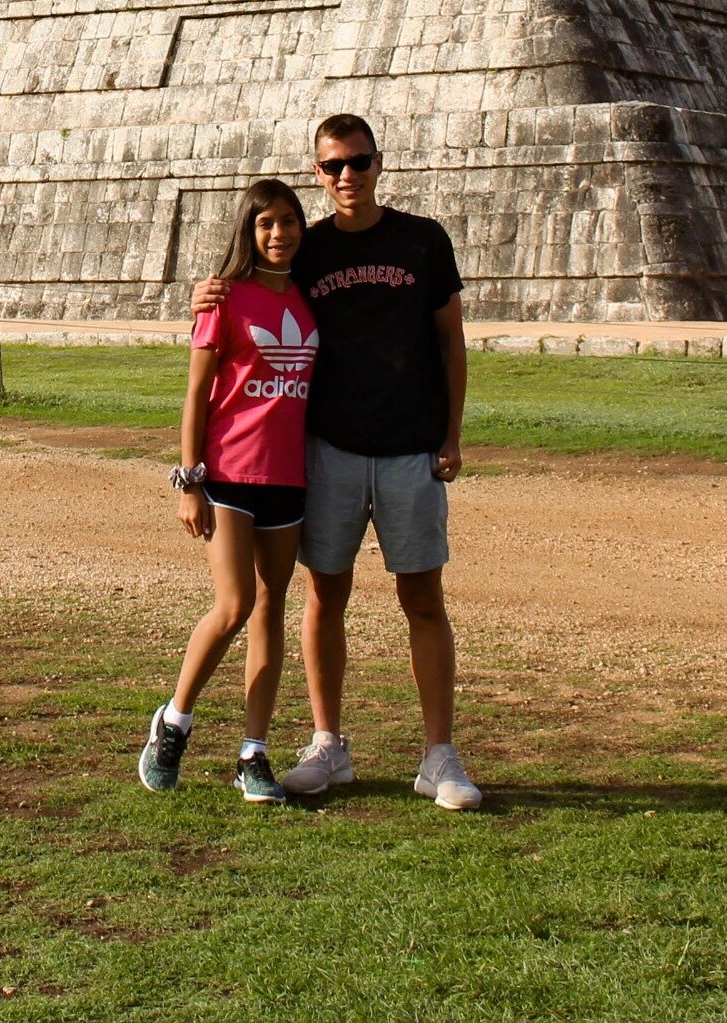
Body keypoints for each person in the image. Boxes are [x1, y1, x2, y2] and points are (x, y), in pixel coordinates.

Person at [195, 112, 480, 811]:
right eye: (332, 166)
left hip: (411, 448)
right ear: (318, 174)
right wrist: (211, 290)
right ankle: (329, 743)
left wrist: (451, 434)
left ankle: (438, 755)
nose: (346, 176)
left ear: (379, 163)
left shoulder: (422, 241)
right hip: (329, 452)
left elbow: (451, 342)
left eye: (358, 162)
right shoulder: (309, 249)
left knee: (423, 599)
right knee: (325, 595)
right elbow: (251, 280)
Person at [139, 178, 320, 803]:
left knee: (272, 608)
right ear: (249, 229)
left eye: (290, 221)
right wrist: (188, 482)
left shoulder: (311, 294)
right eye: (267, 223)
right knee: (235, 604)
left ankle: (254, 754)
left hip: (288, 476)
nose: (280, 234)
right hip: (229, 474)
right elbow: (195, 395)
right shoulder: (223, 298)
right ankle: (174, 721)